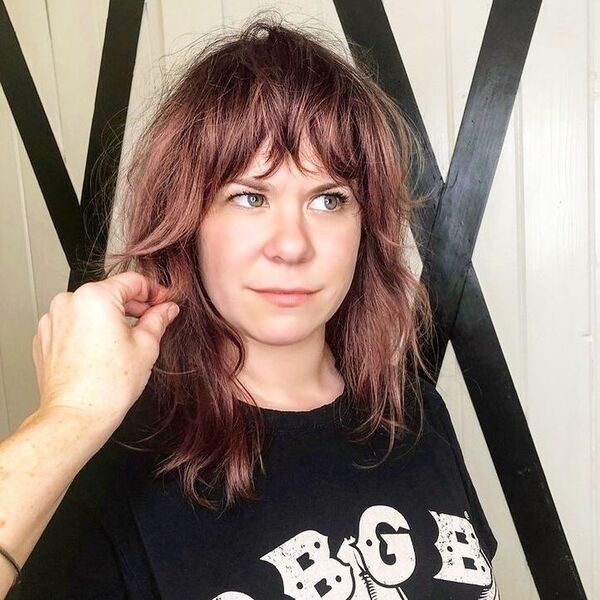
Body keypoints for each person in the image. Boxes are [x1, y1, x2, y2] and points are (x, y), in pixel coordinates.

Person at [1, 12, 500, 600]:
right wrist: (71, 416)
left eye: (329, 198)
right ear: (187, 221)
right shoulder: (109, 465)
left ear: (366, 228)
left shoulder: (413, 410)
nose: (291, 244)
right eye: (249, 196)